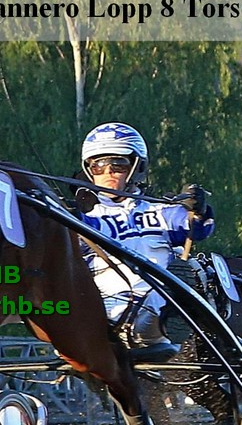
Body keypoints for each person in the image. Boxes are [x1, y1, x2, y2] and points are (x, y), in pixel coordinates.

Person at [75, 122, 215, 361]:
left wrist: (198, 209)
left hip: (154, 306)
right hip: (104, 309)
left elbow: (199, 230)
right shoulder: (84, 218)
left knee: (178, 282)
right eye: (98, 166)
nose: (107, 172)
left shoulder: (162, 211)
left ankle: (171, 325)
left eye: (117, 164)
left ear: (136, 167)